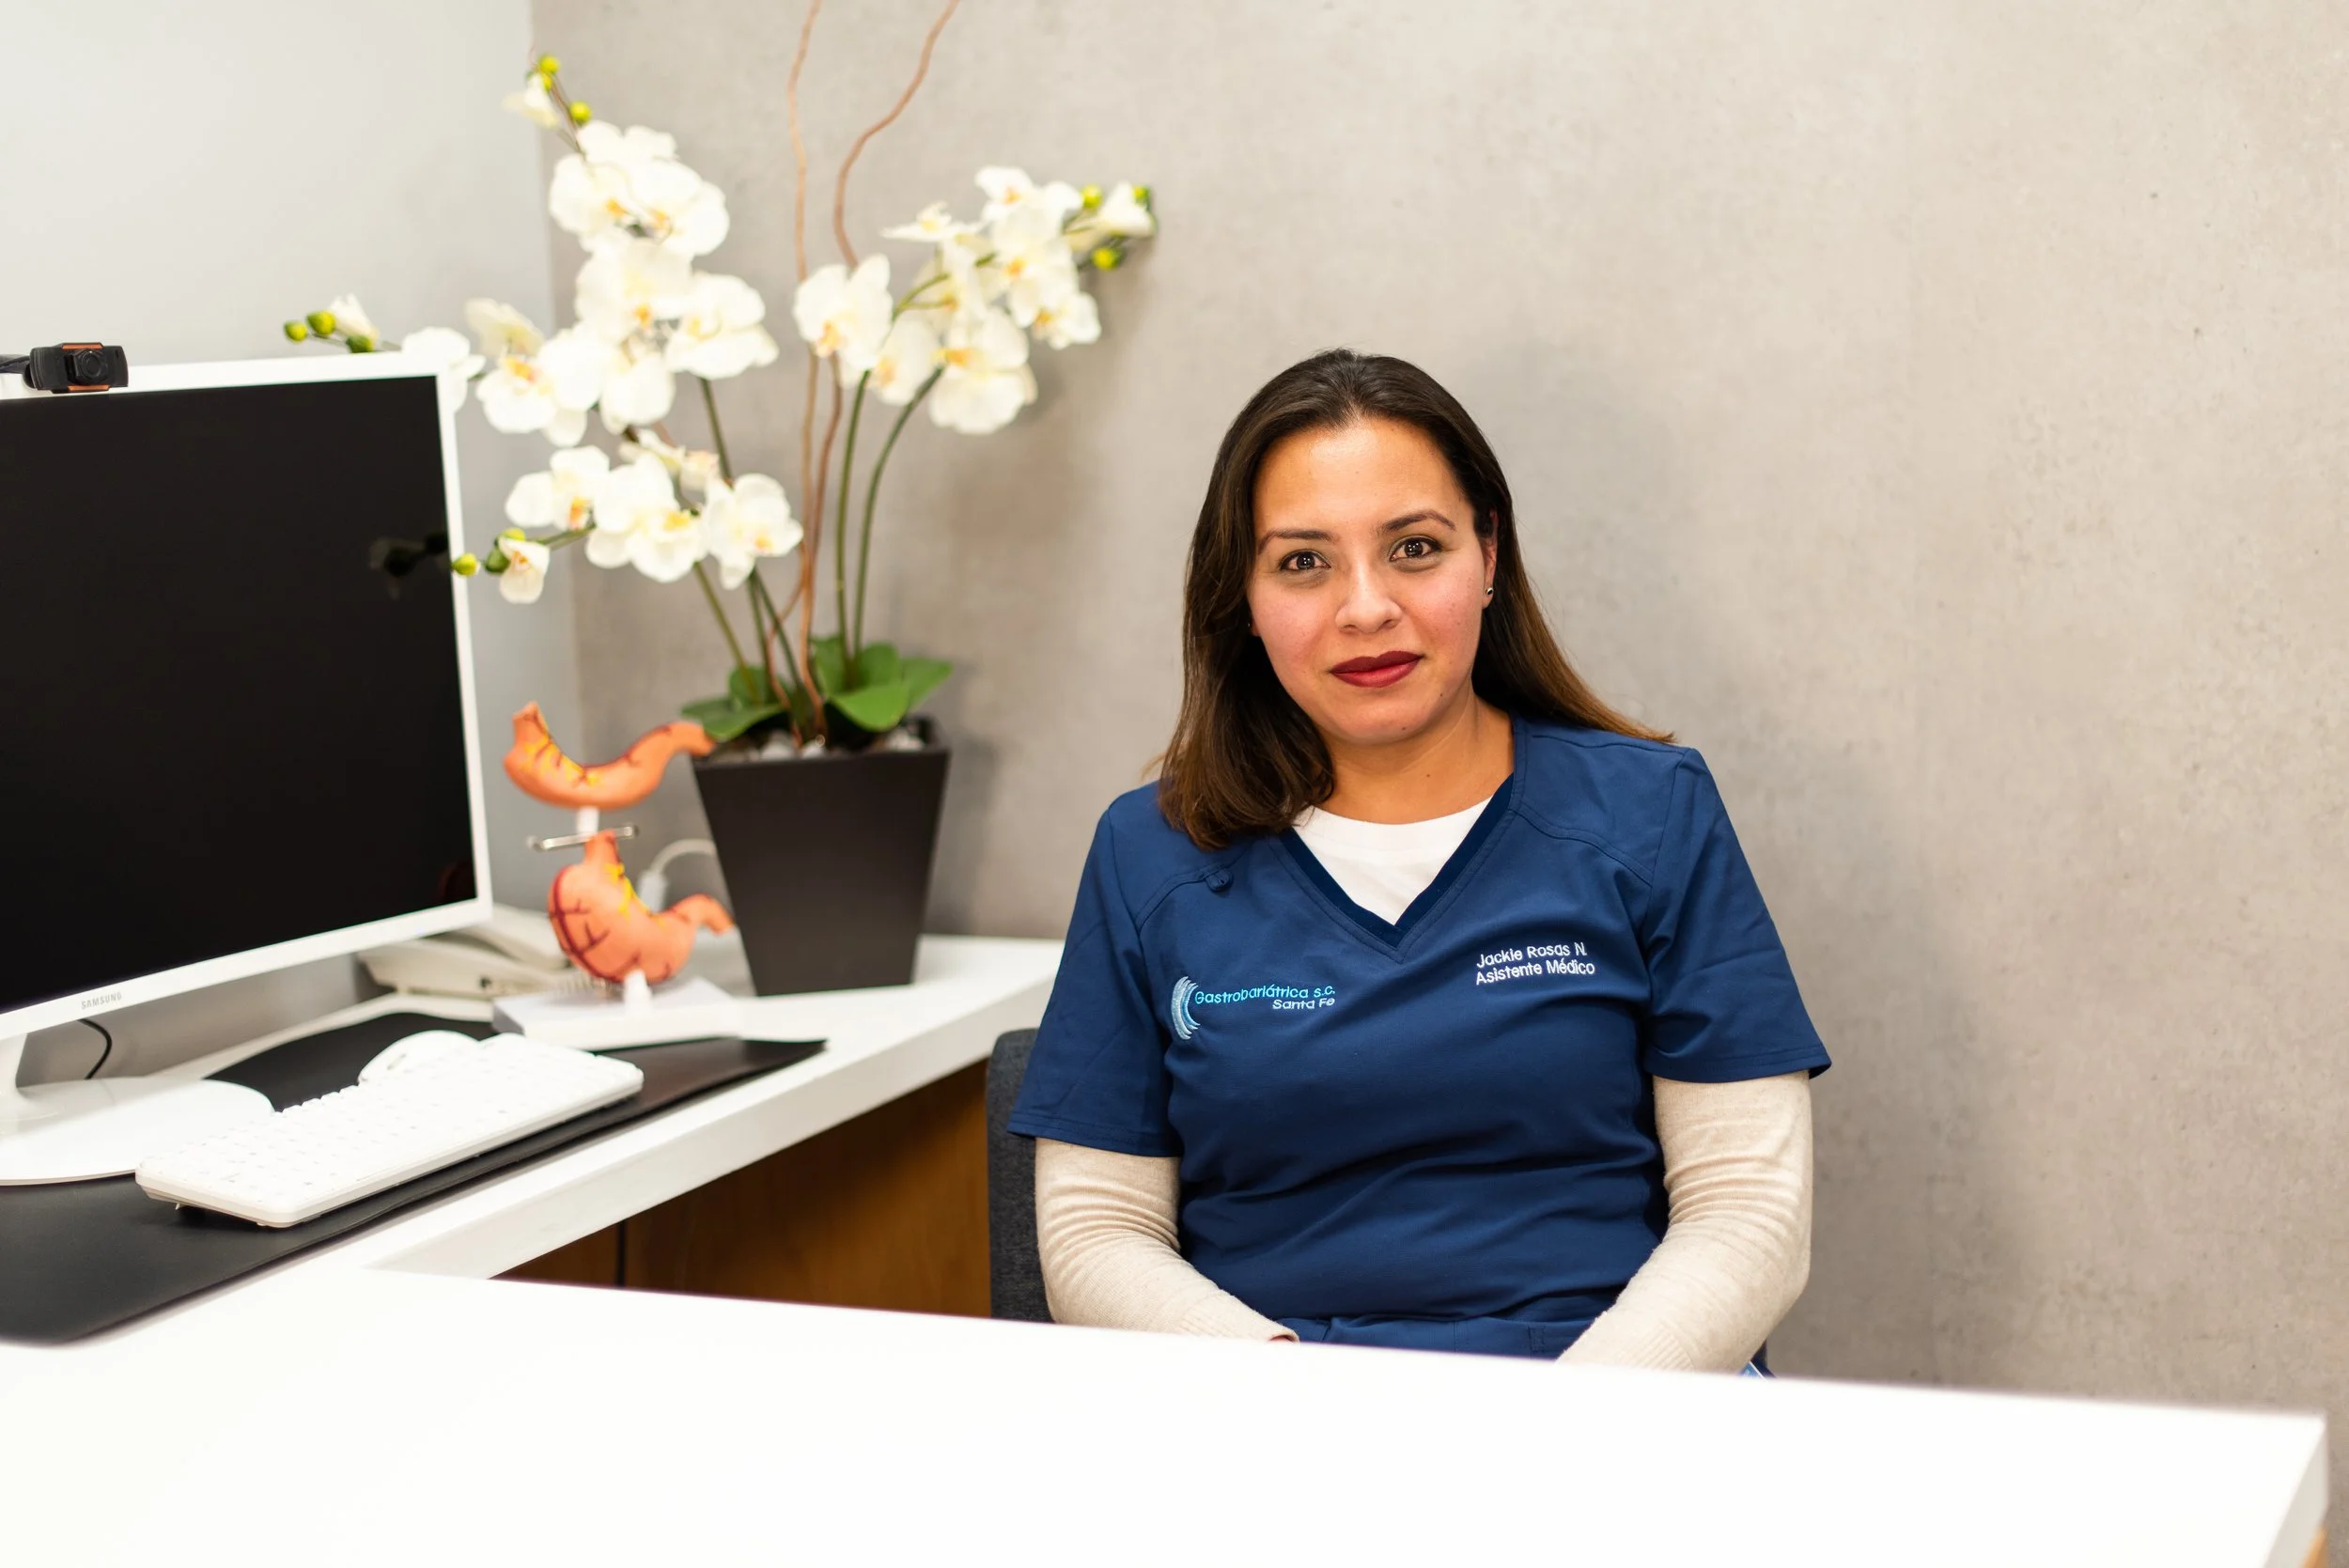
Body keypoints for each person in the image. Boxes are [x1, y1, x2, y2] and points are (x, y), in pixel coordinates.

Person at [1004, 349, 1829, 1369]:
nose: (1365, 607)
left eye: (1414, 548)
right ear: (1243, 598)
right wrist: (1302, 1403)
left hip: (1609, 1404)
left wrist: (1570, 1419)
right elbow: (1096, 1231)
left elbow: (1748, 1213)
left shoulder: (1649, 814)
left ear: (1488, 555)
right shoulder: (1151, 852)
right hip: (1276, 1407)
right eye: (1302, 562)